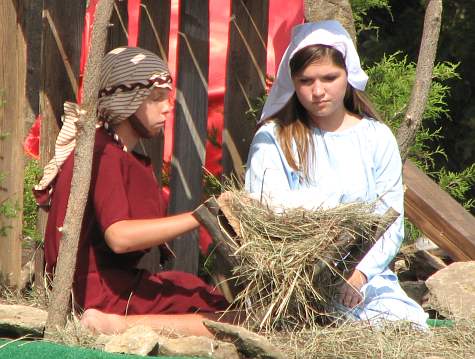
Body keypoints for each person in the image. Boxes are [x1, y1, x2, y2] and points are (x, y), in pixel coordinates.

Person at [34, 46, 230, 336]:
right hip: (96, 293)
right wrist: (201, 217)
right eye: (155, 98)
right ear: (125, 100)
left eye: (167, 97)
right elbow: (120, 237)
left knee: (196, 292)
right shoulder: (103, 155)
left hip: (104, 285)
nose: (167, 106)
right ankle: (115, 325)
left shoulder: (107, 150)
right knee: (232, 323)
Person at [244, 20, 428, 327]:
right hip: (293, 280)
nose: (318, 91)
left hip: (365, 279)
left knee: (402, 325)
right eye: (306, 81)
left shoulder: (376, 137)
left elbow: (390, 218)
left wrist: (359, 274)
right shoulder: (274, 138)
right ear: (292, 83)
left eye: (329, 77)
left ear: (347, 76)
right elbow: (268, 206)